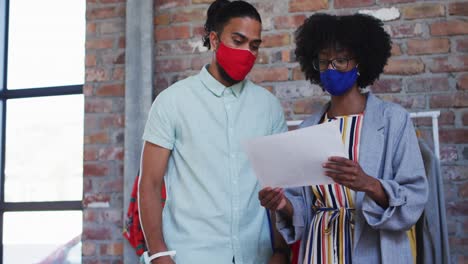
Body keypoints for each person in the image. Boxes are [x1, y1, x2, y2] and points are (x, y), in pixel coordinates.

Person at [259, 13, 428, 263]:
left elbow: (414, 197)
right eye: (324, 61)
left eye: (341, 60)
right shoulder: (308, 128)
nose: (331, 68)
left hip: (375, 249)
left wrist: (369, 184)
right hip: (319, 250)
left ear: (360, 62)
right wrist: (282, 204)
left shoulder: (393, 120)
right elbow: (302, 211)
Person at [138, 1, 289, 263]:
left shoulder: (268, 107)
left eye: (254, 45)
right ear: (215, 39)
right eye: (238, 40)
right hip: (189, 255)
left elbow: (277, 185)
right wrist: (158, 254)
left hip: (256, 255)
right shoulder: (173, 101)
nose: (247, 51)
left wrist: (280, 252)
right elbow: (149, 183)